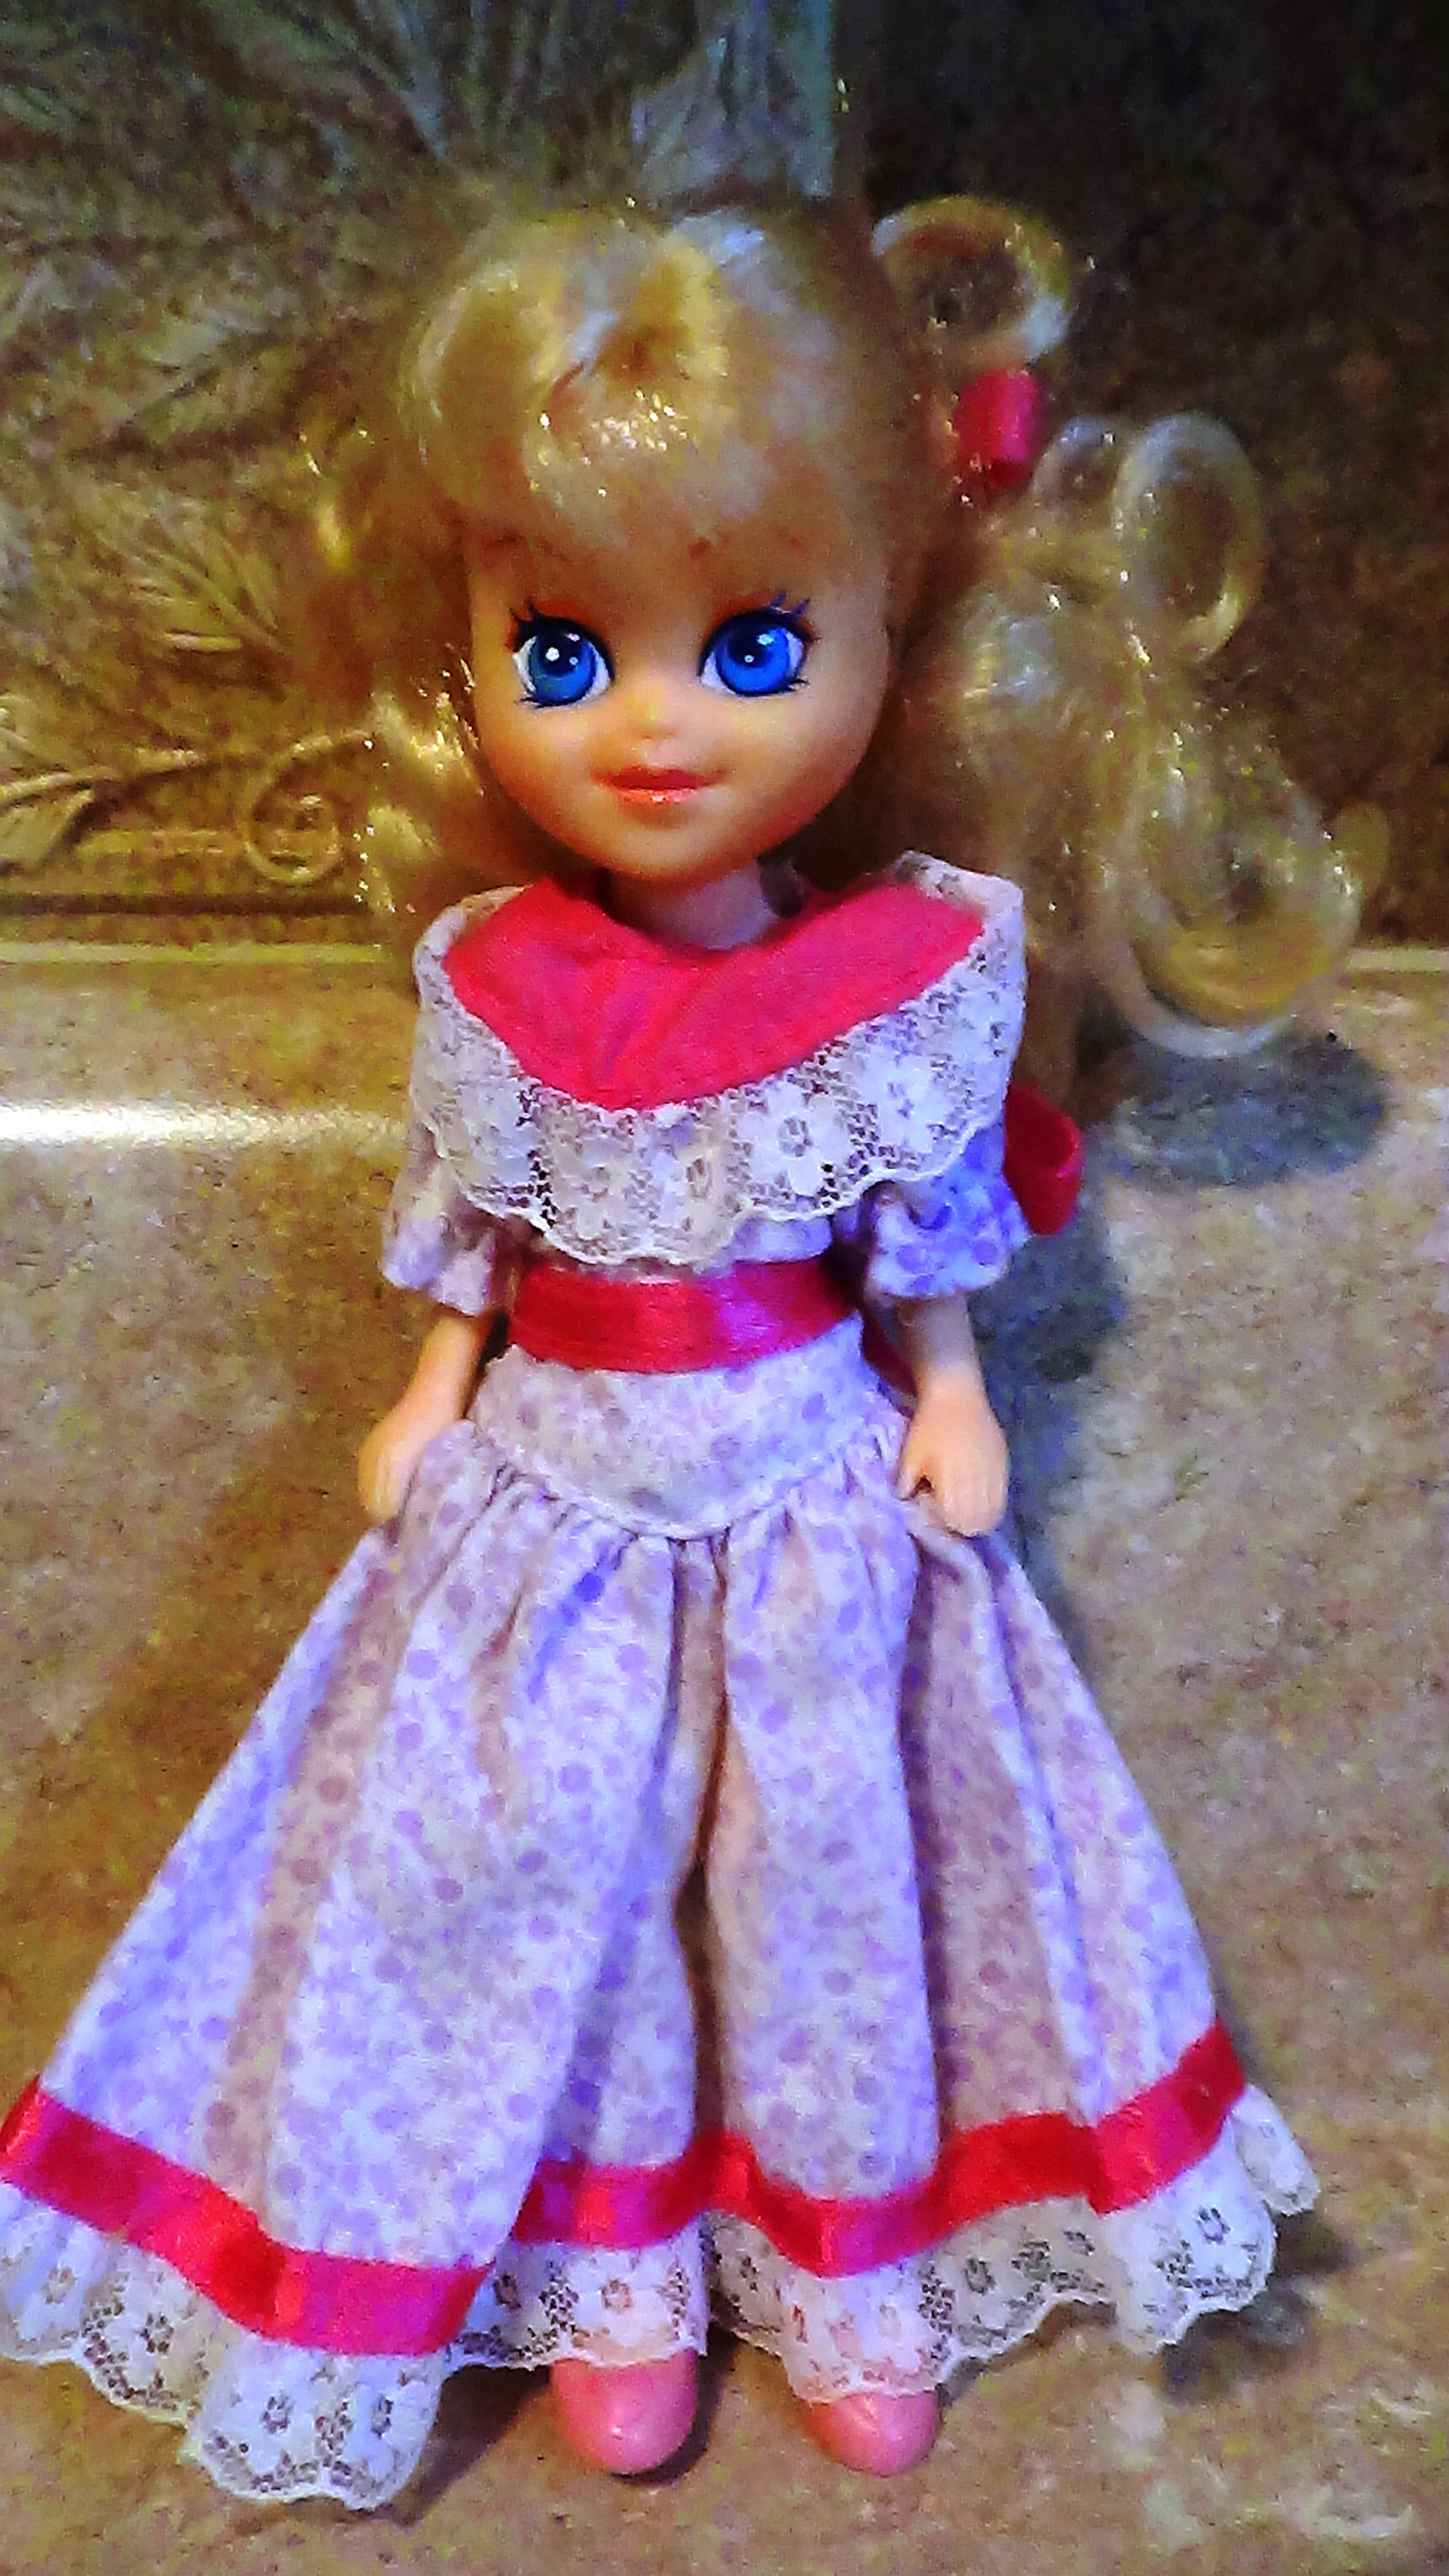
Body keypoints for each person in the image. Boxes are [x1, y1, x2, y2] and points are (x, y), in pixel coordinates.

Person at [0, 198, 1315, 2508]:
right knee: (543, 1885)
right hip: (556, 1513)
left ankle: (851, 2275)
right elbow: (474, 1229)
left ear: (899, 639)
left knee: (830, 1892)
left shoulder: (901, 980)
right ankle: (616, 2286)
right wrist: (428, 1392)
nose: (659, 719)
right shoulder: (498, 982)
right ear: (469, 658)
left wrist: (953, 1392)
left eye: (759, 640)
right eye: (564, 646)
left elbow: (918, 1240)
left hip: (803, 1494)